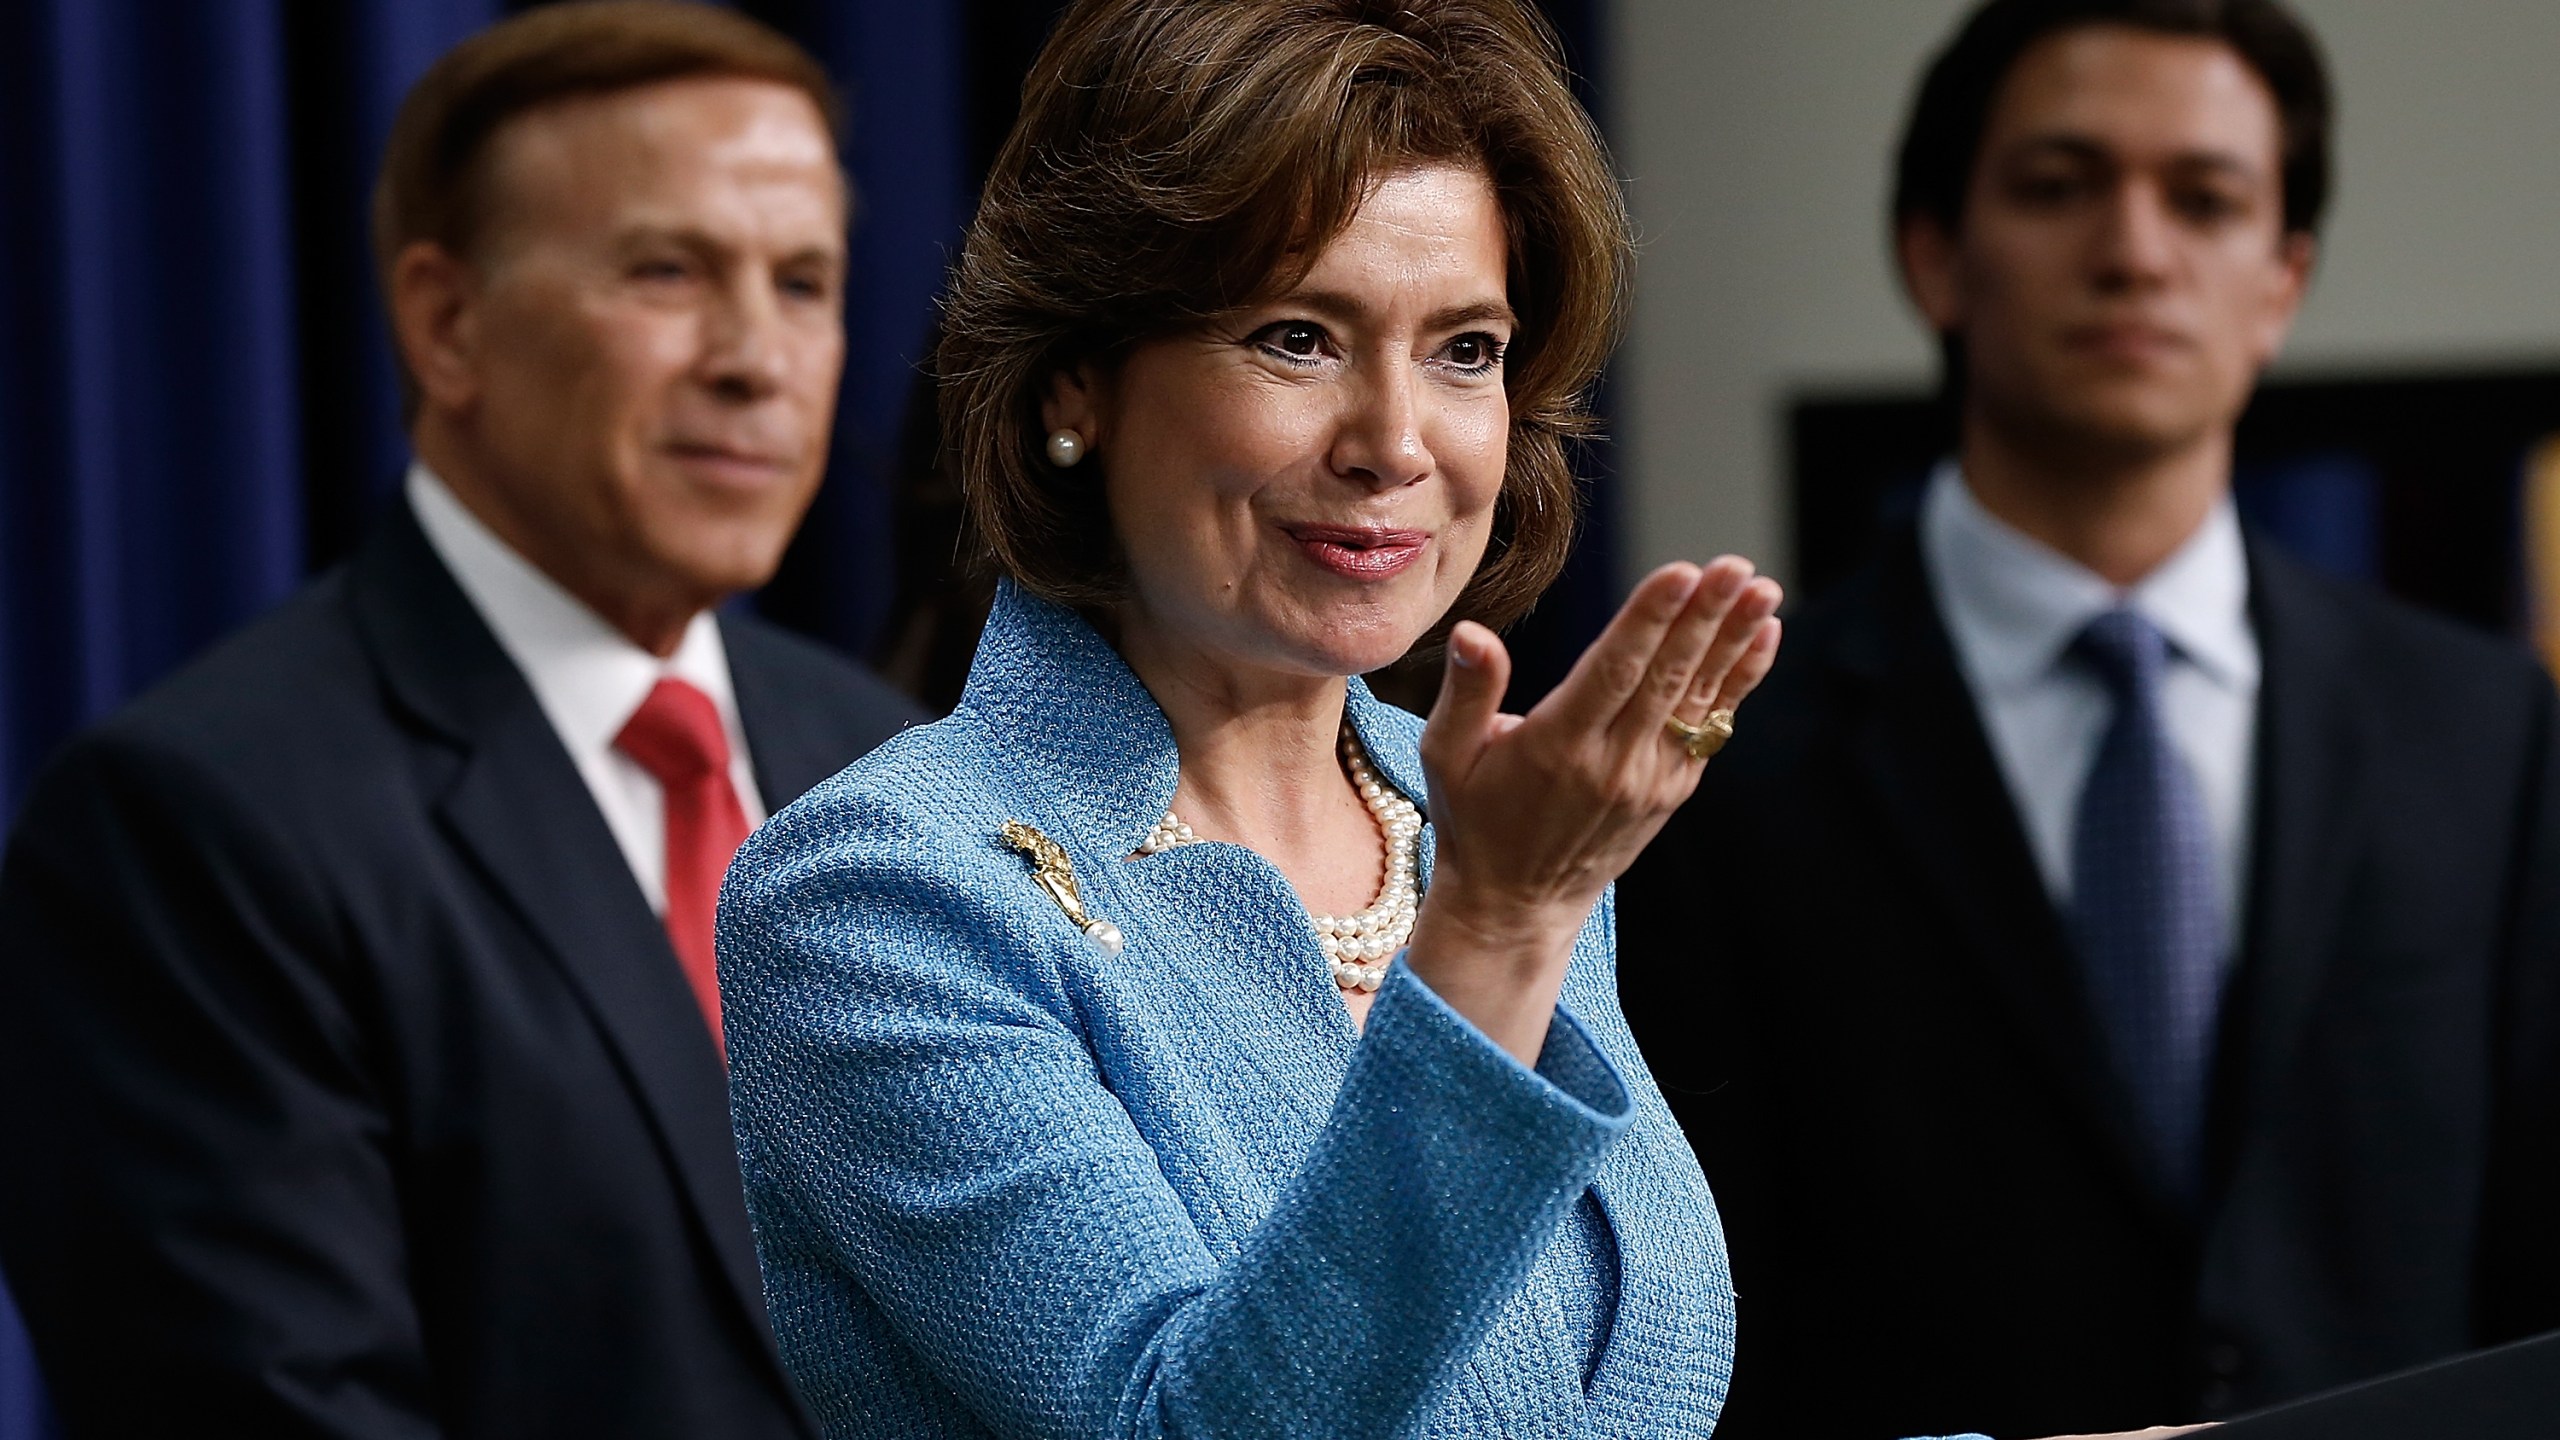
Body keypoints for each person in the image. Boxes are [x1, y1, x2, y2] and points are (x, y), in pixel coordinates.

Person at [714, 3, 2207, 1438]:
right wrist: (1501, 928)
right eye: (1298, 336)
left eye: (1465, 351)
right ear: (1077, 384)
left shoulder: (1462, 833)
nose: (1395, 444)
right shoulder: (881, 895)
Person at [1617, 1, 2560, 1437]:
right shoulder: (1717, 750)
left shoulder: (2484, 731)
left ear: (2282, 279)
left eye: (2206, 198)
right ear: (1935, 254)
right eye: (2060, 187)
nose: (2134, 251)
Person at [0, 5, 921, 1435]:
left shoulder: (891, 762)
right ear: (446, 323)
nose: (758, 358)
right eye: (668, 271)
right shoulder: (193, 825)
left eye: (803, 283)